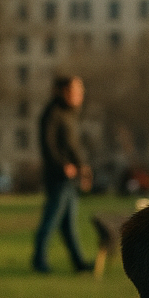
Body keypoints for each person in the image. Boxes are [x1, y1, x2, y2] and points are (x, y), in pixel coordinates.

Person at [31, 75, 92, 274]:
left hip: (71, 178)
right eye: (76, 91)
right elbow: (48, 147)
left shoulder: (69, 114)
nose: (80, 95)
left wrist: (82, 167)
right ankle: (39, 260)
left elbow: (72, 146)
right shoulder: (52, 114)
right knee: (51, 220)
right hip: (59, 178)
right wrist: (63, 166)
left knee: (68, 224)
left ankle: (78, 262)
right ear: (63, 92)